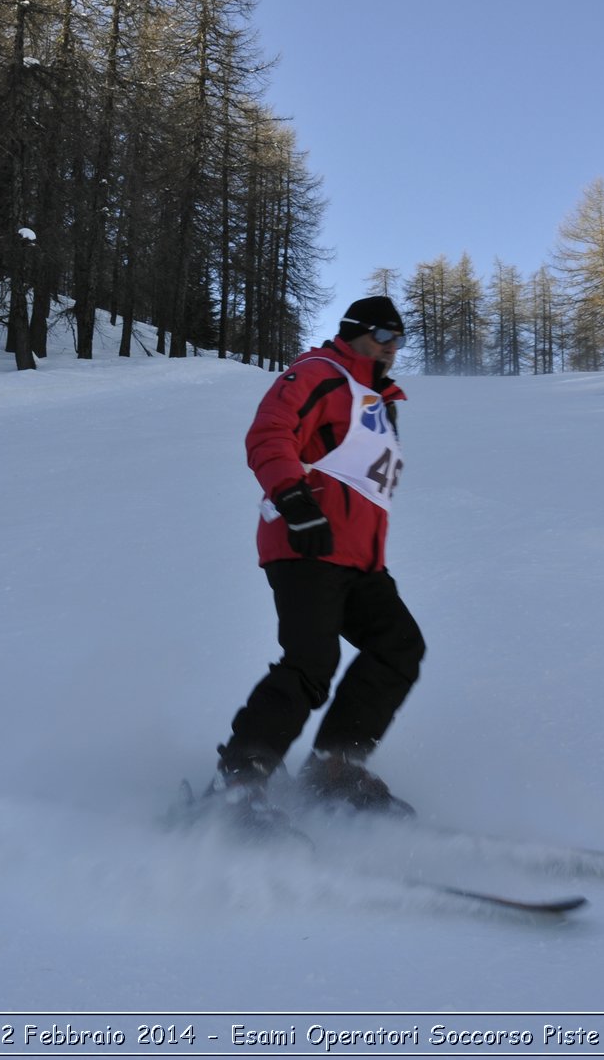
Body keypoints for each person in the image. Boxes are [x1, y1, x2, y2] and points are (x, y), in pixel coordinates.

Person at [206, 295, 427, 827]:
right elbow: (269, 432)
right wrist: (294, 499)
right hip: (305, 543)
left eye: (400, 339)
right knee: (312, 661)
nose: (392, 348)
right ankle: (241, 779)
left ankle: (334, 768)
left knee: (399, 646)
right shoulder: (319, 372)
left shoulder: (379, 404)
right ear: (353, 332)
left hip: (361, 562)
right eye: (382, 335)